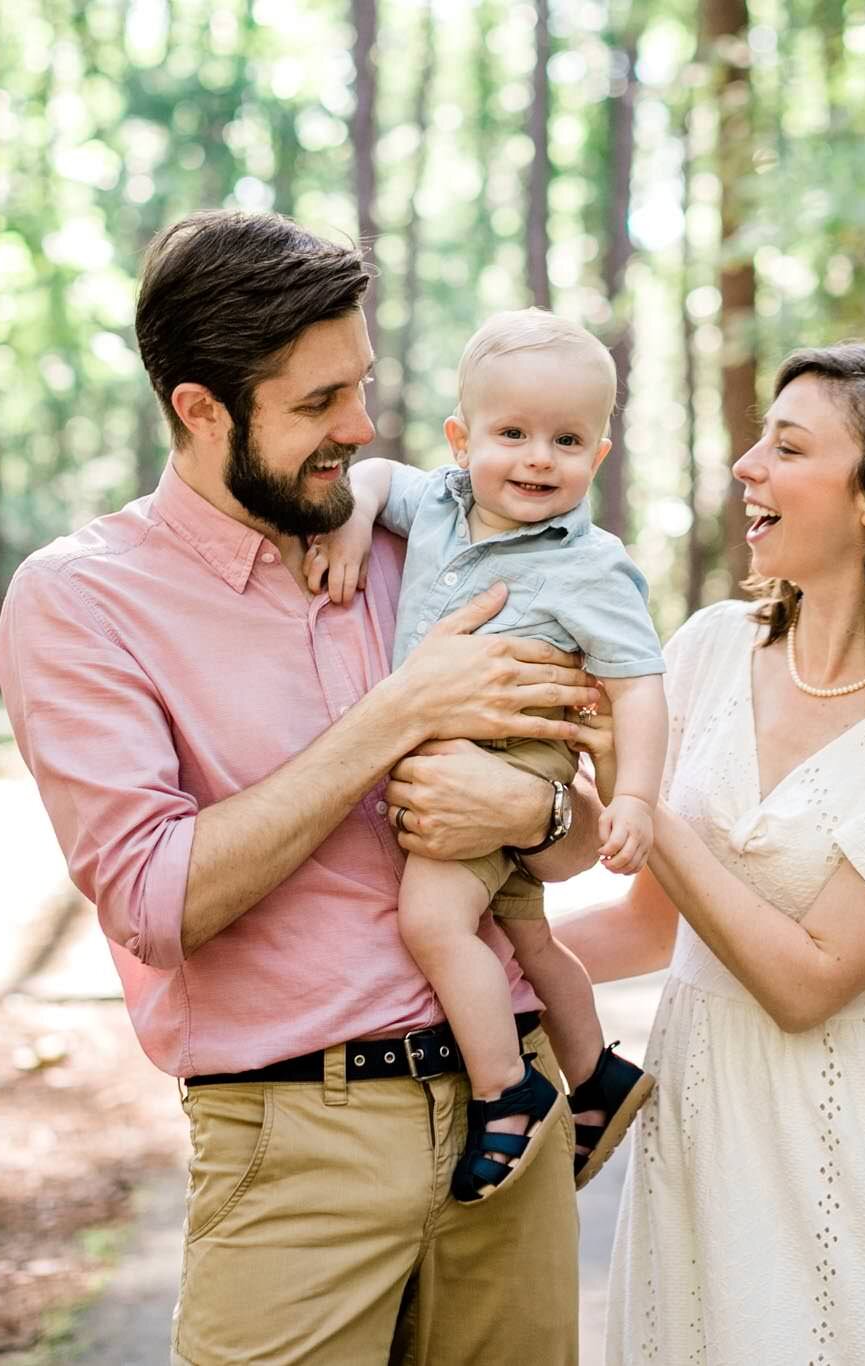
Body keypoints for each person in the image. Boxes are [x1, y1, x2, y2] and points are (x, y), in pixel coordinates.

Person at [0, 210, 604, 1365]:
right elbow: (155, 902)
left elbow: (574, 841)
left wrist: (539, 814)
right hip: (292, 1146)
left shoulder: (431, 545)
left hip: (508, 1113)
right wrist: (397, 714)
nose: (360, 426)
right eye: (319, 402)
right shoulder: (81, 600)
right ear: (200, 408)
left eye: (361, 386)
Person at [558, 343, 865, 1365]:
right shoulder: (704, 648)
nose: (745, 465)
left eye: (785, 446)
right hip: (695, 1147)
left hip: (861, 1167)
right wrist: (461, 966)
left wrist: (644, 800)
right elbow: (652, 924)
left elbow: (808, 981)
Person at [310, 309, 662, 1205]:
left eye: (567, 439)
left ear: (599, 456)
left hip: (511, 758)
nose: (539, 458)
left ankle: (508, 1090)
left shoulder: (594, 566)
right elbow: (377, 472)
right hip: (453, 754)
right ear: (462, 439)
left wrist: (637, 799)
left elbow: (638, 686)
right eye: (512, 434)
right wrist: (354, 522)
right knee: (526, 937)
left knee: (432, 922)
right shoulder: (436, 501)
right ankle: (597, 1075)